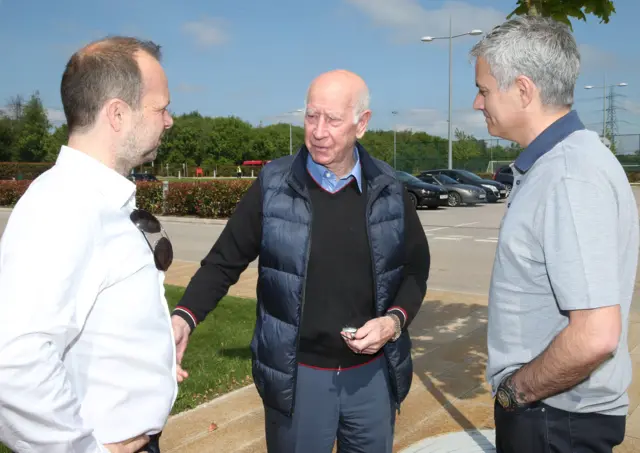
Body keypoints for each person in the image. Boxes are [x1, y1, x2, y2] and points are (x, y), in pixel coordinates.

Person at [170, 69, 430, 453]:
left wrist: (394, 322)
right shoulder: (273, 186)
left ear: (362, 124)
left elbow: (415, 270)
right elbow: (223, 262)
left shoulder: (389, 189)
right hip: (299, 382)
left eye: (333, 119)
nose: (319, 131)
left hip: (372, 381)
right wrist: (184, 317)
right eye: (311, 116)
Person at [470, 16, 638, 453]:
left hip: (555, 417)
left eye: (484, 89)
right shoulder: (564, 163)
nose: (476, 102)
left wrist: (514, 394)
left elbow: (595, 335)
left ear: (524, 90)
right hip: (556, 413)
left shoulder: (568, 175)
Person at [0, 36, 176, 453]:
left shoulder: (94, 200)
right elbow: (11, 359)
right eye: (160, 107)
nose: (168, 120)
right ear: (117, 114)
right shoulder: (65, 206)